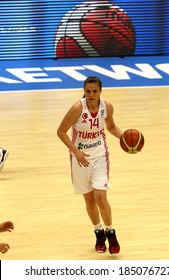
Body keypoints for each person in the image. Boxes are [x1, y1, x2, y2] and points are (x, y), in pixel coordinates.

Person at [57, 76, 123, 254]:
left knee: (101, 197)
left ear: (100, 91)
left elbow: (111, 127)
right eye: (88, 91)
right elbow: (61, 132)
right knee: (89, 200)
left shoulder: (107, 107)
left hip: (100, 155)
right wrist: (76, 152)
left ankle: (111, 232)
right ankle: (98, 232)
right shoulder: (77, 109)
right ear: (84, 91)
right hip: (80, 159)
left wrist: (124, 138)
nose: (91, 94)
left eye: (95, 91)